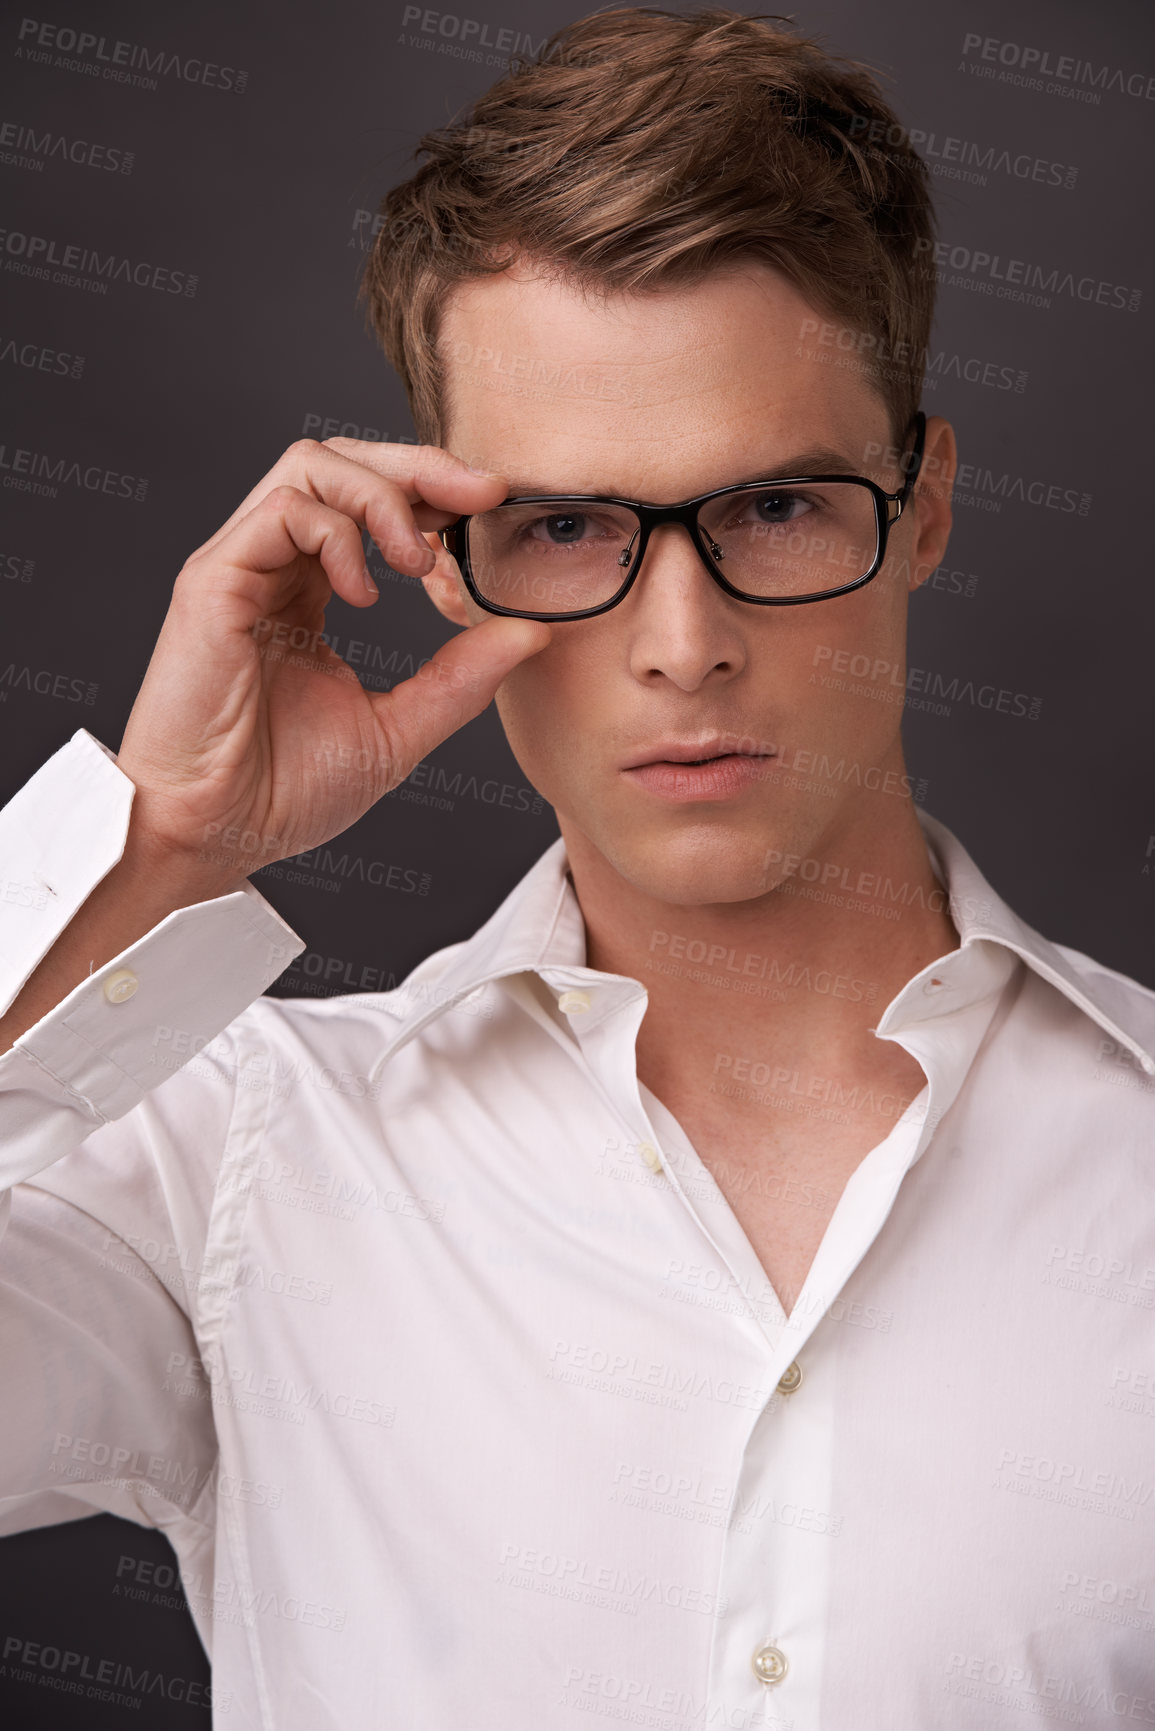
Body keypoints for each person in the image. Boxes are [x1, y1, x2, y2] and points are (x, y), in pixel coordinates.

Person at [2, 8, 1152, 1727]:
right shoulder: (232, 1156)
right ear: (447, 565)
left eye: (772, 507)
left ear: (919, 508)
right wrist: (153, 843)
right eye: (563, 528)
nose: (681, 647)